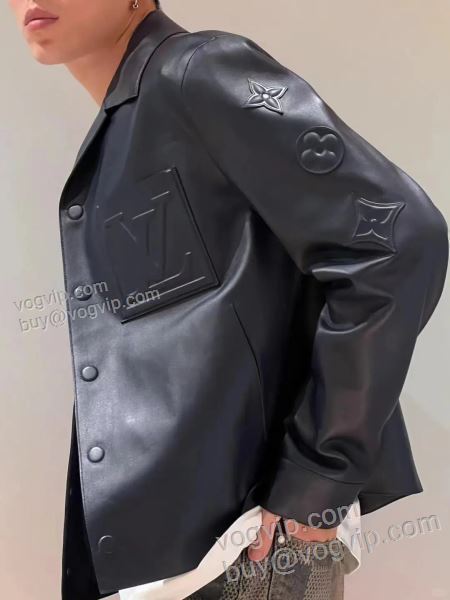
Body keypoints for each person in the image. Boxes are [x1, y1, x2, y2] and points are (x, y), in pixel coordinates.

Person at [8, 1, 449, 599]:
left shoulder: (198, 71)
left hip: (249, 552)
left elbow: (398, 238)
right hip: (175, 559)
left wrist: (317, 479)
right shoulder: (133, 118)